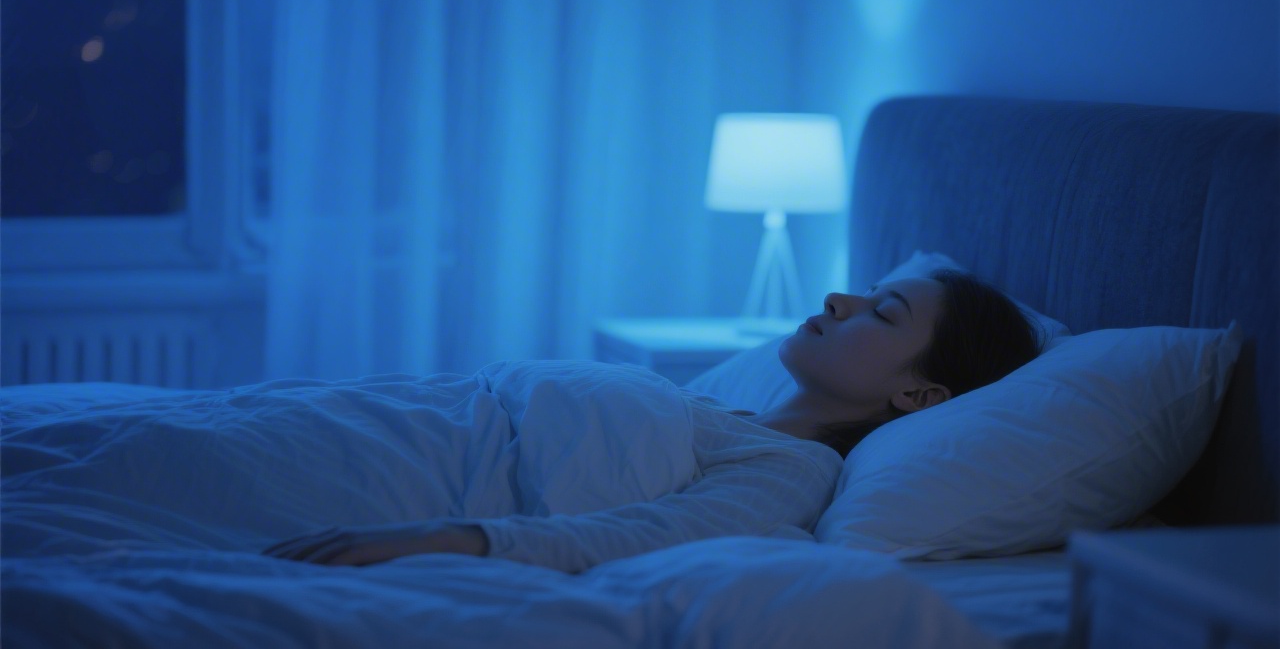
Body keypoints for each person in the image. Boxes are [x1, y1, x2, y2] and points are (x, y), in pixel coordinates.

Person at [265, 269, 1040, 570]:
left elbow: (646, 538)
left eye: (884, 311)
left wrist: (444, 535)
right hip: (389, 419)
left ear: (920, 396)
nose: (841, 299)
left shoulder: (797, 470)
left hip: (415, 473)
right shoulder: (721, 409)